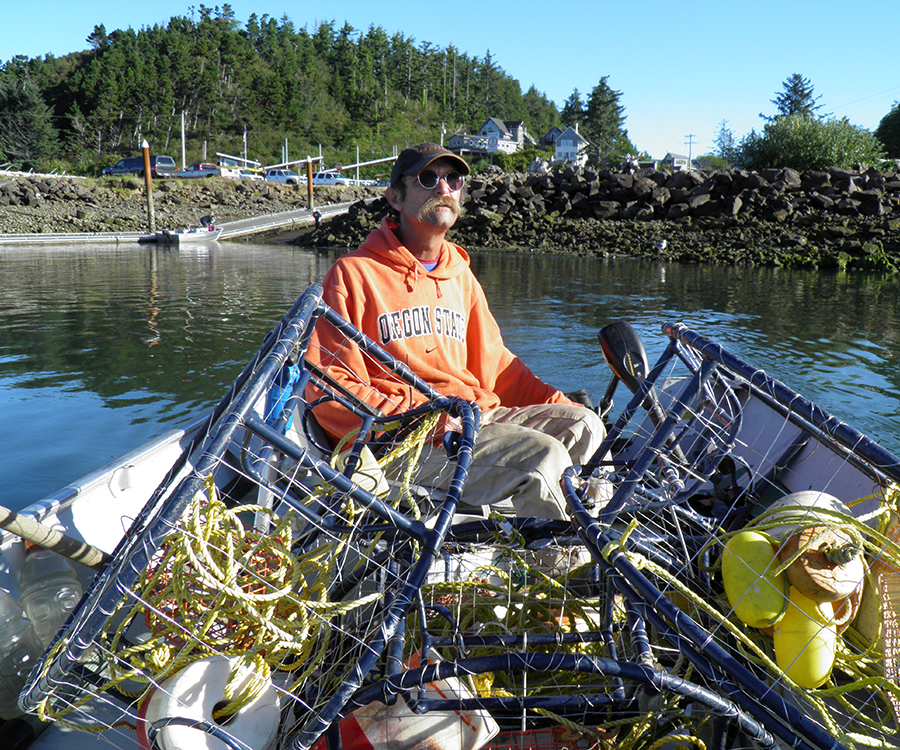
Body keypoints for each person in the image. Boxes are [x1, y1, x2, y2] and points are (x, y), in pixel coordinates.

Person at [306, 142, 606, 519]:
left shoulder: (459, 274)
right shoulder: (353, 275)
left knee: (586, 427)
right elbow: (329, 384)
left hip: (471, 419)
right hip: (404, 441)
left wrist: (562, 403)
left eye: (454, 178)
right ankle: (562, 568)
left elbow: (496, 366)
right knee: (543, 458)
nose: (444, 188)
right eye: (428, 178)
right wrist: (421, 418)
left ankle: (595, 540)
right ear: (395, 197)